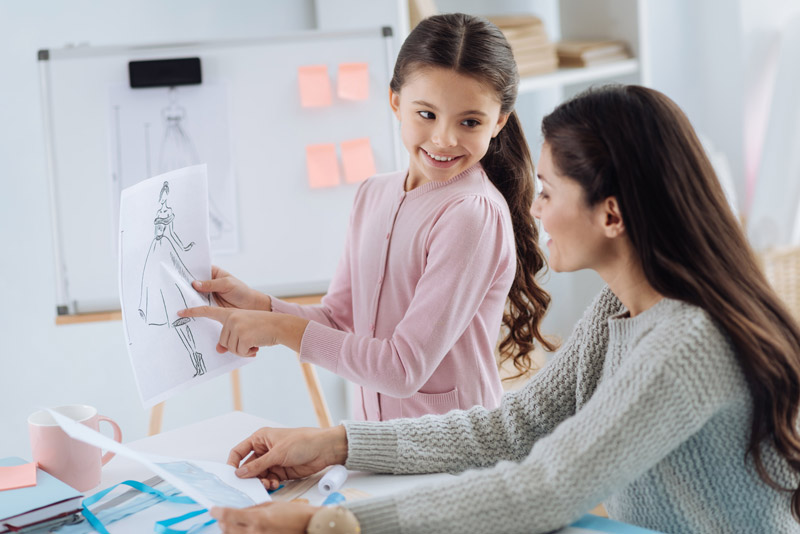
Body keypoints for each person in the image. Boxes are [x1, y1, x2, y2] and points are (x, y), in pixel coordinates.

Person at [205, 84, 800, 534]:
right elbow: (513, 428)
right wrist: (336, 443)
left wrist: (327, 524)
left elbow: (547, 487)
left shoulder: (686, 342)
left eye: (547, 191)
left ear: (611, 215)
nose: (534, 211)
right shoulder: (619, 308)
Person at [179, 13, 554, 420]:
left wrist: (279, 331)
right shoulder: (373, 194)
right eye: (426, 114)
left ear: (498, 122)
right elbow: (339, 321)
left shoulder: (470, 214)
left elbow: (402, 368)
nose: (444, 138)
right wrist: (260, 306)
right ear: (395, 102)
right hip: (377, 449)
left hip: (451, 457)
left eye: (470, 122)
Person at [138, 180, 207, 377]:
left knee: (179, 320)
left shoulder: (168, 213)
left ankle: (196, 356)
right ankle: (196, 357)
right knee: (175, 322)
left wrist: (185, 248)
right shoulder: (153, 210)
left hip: (165, 251)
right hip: (155, 254)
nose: (163, 200)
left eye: (165, 196)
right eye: (162, 196)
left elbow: (173, 233)